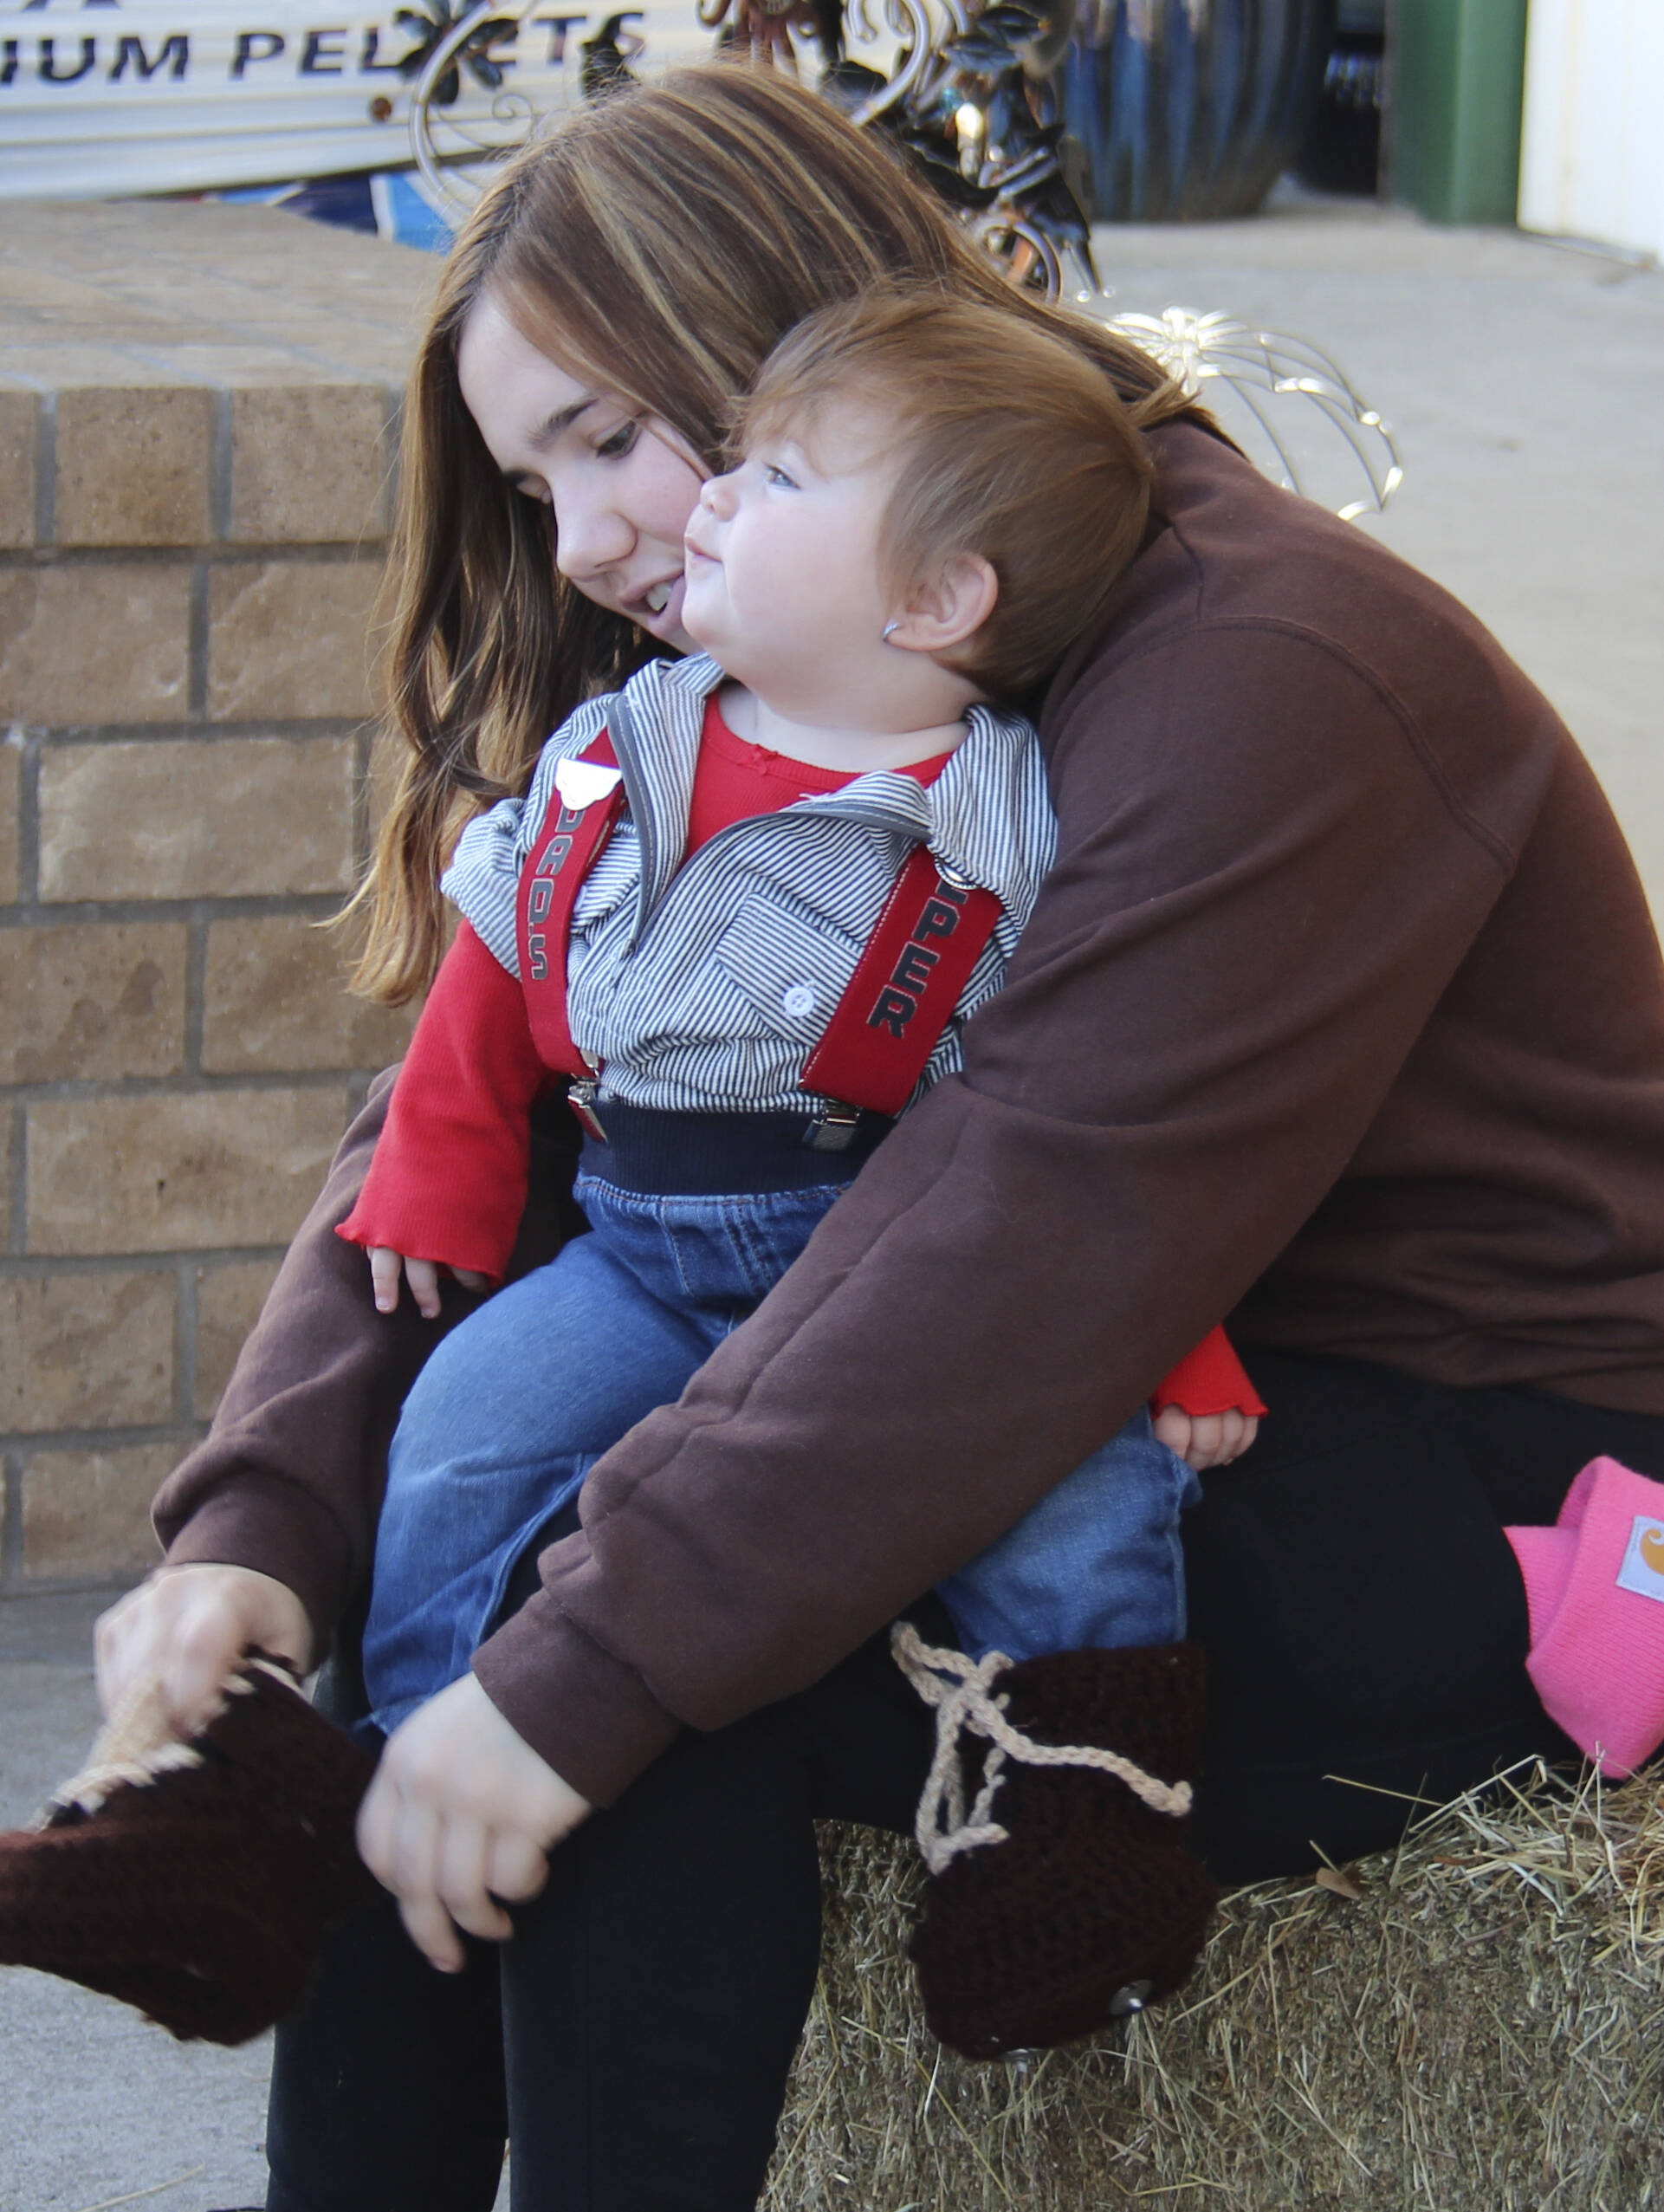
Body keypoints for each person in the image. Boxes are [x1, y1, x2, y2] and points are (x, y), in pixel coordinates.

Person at [93, 59, 1664, 2212]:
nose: (593, 543)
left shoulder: (1270, 666)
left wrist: (591, 1666)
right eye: (530, 481)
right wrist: (261, 1521)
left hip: (1449, 1444)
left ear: (814, 341)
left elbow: (1035, 1219)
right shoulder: (777, 668)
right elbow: (498, 1113)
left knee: (643, 1681)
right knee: (495, 1580)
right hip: (1052, 1340)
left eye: (615, 440)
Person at [333, 288, 1261, 2053]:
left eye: (765, 479)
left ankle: (1071, 1827)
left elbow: (1117, 1118)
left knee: (1078, 1508)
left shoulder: (1010, 807)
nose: (699, 508)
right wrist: (439, 1187)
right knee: (460, 1423)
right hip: (639, 1252)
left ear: (935, 600)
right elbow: (495, 977)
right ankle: (411, 1759)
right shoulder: (627, 746)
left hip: (901, 1278)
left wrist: (1173, 1333)